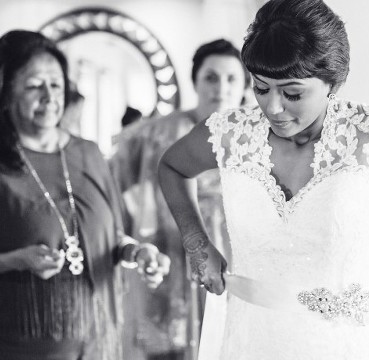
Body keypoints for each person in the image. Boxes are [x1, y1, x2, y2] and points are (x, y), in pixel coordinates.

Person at [158, 0, 369, 358]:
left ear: (332, 82)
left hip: (348, 345)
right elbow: (171, 167)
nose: (273, 108)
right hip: (253, 338)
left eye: (292, 93)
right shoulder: (230, 133)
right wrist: (197, 243)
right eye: (261, 87)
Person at [0, 30, 170, 360]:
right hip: (13, 346)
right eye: (35, 85)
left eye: (56, 84)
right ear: (5, 94)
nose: (50, 97)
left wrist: (137, 253)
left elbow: (109, 238)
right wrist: (15, 260)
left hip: (97, 343)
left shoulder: (89, 154)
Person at [109, 39, 249, 360]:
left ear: (244, 85)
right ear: (195, 81)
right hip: (168, 265)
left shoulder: (255, 140)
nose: (221, 88)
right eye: (211, 77)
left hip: (234, 267)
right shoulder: (154, 136)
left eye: (231, 79)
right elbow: (110, 188)